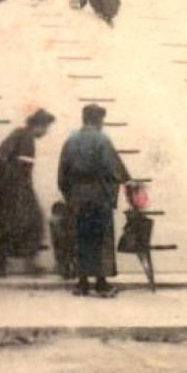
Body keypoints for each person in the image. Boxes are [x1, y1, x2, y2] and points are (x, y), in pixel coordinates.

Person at [57, 103, 133, 297]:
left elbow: (62, 175)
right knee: (101, 238)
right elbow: (113, 167)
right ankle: (101, 283)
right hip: (98, 195)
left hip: (77, 195)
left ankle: (82, 283)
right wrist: (127, 181)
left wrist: (71, 195)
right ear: (98, 120)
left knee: (80, 238)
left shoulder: (71, 140)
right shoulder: (102, 139)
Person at [0, 109, 56, 275]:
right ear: (38, 125)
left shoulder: (19, 134)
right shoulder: (26, 138)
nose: (45, 132)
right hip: (17, 188)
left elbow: (1, 155)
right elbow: (20, 168)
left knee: (11, 223)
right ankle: (20, 263)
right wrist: (23, 188)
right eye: (46, 128)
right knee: (28, 222)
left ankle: (5, 263)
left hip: (9, 187)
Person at [49, 202, 76, 279]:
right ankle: (68, 270)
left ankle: (66, 270)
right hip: (63, 238)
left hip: (63, 239)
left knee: (64, 253)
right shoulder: (57, 220)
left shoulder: (55, 220)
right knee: (67, 254)